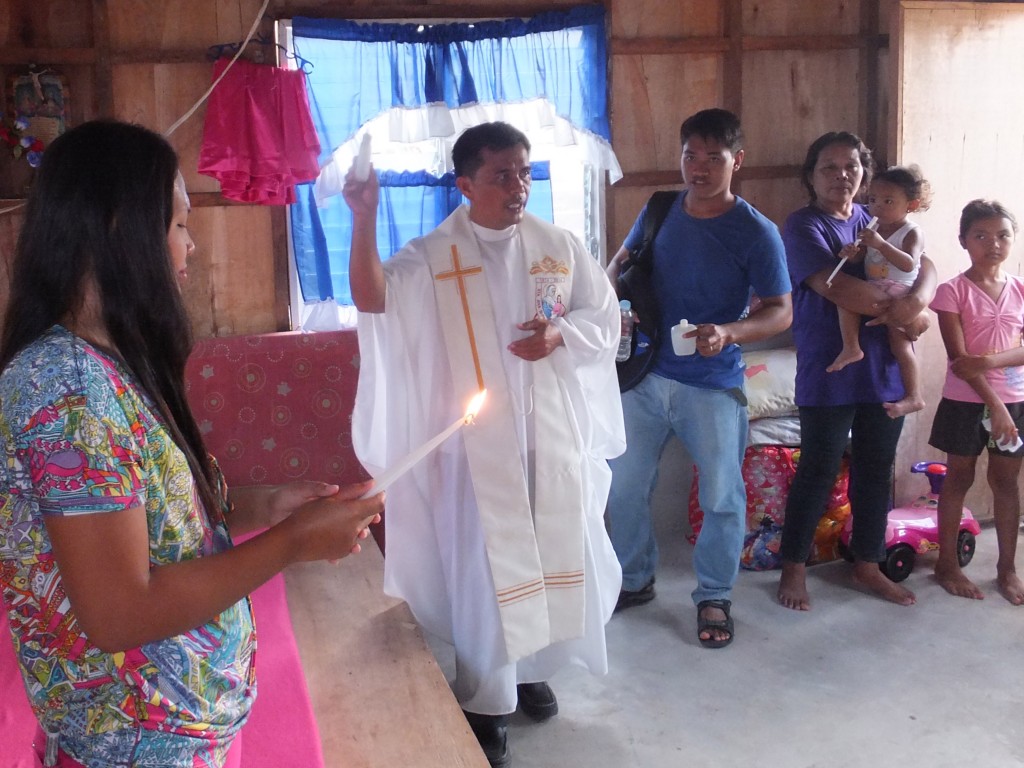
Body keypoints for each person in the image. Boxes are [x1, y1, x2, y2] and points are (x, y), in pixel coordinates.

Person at [0, 120, 383, 768]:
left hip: (166, 735)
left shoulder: (102, 364)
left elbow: (143, 524)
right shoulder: (65, 393)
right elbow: (120, 611)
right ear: (123, 229)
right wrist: (291, 545)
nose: (193, 246)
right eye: (179, 225)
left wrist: (264, 508)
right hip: (132, 747)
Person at [342, 121, 625, 767]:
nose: (519, 186)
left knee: (555, 555)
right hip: (472, 450)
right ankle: (485, 698)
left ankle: (531, 673)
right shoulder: (433, 254)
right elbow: (371, 297)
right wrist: (363, 217)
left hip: (545, 439)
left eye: (526, 172)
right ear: (466, 183)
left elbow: (602, 316)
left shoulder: (558, 246)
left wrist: (560, 337)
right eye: (503, 174)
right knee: (485, 570)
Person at [604, 108, 792, 648]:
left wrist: (730, 332)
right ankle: (635, 580)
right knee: (624, 486)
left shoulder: (756, 232)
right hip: (643, 372)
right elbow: (619, 263)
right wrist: (611, 305)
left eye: (715, 157)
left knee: (722, 496)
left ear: (738, 161)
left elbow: (781, 310)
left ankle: (714, 594)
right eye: (691, 155)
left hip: (711, 382)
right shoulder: (661, 208)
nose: (700, 168)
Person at [776, 131, 937, 612]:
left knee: (873, 467)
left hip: (884, 366)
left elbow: (924, 262)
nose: (840, 175)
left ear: (864, 175)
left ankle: (868, 562)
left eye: (851, 166)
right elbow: (847, 293)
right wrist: (908, 311)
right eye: (828, 167)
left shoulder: (880, 219)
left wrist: (919, 302)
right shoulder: (803, 226)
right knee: (819, 468)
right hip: (830, 364)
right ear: (811, 176)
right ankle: (794, 565)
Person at [929, 199, 1024, 604]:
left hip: (1015, 399)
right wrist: (996, 405)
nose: (994, 244)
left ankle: (1007, 569)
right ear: (964, 241)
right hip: (966, 402)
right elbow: (959, 362)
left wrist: (989, 361)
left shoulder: (1020, 288)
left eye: (1003, 235)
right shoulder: (952, 292)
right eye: (981, 236)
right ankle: (946, 564)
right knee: (959, 479)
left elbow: (984, 360)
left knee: (1005, 482)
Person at [827, 165, 932, 419]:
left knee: (901, 346)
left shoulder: (911, 231)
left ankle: (915, 396)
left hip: (899, 289)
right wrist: (852, 254)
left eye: (888, 201)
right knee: (845, 299)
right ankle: (852, 347)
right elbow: (863, 260)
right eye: (873, 200)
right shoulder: (873, 228)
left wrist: (881, 244)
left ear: (911, 204)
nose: (878, 207)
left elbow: (909, 263)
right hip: (877, 285)